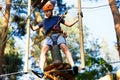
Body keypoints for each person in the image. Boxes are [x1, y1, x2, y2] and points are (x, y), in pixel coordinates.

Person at [30, 2, 79, 78]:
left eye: (47, 11)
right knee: (44, 50)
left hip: (58, 35)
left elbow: (69, 24)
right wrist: (29, 25)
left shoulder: (57, 18)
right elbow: (34, 28)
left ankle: (73, 66)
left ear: (51, 11)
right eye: (45, 12)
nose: (46, 13)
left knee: (64, 47)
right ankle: (40, 70)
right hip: (49, 37)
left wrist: (78, 19)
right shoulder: (44, 21)